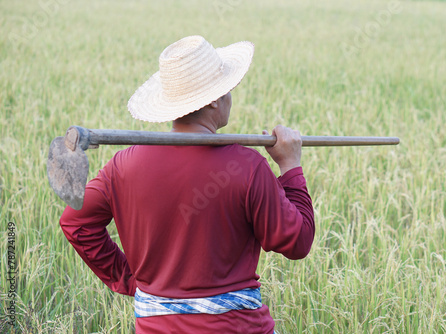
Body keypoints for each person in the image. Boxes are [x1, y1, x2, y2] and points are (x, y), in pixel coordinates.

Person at [59, 35, 315, 334]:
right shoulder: (247, 166)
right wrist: (290, 165)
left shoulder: (123, 165)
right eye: (228, 90)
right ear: (213, 100)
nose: (230, 97)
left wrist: (129, 278)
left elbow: (75, 222)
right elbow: (297, 242)